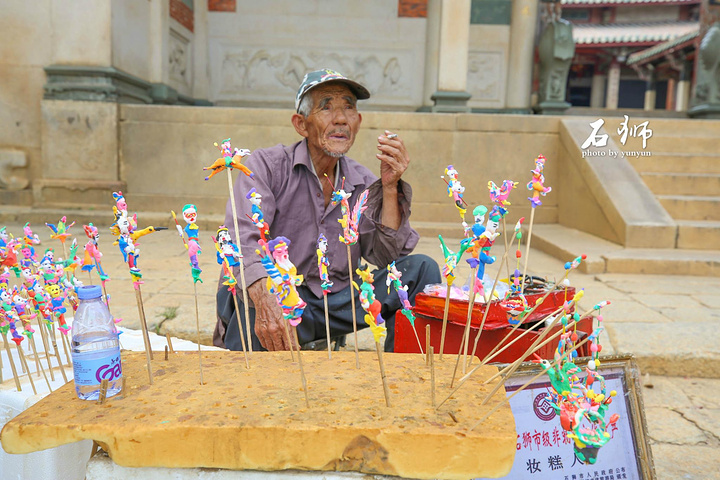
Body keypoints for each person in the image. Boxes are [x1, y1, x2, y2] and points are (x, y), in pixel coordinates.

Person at [214, 68, 440, 352]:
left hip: (336, 302)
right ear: (301, 124)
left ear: (358, 122)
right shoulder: (265, 166)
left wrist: (390, 188)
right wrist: (264, 299)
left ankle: (407, 377)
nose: (341, 119)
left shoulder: (364, 182)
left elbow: (388, 257)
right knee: (251, 296)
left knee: (420, 270)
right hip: (279, 298)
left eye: (348, 107)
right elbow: (241, 239)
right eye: (326, 107)